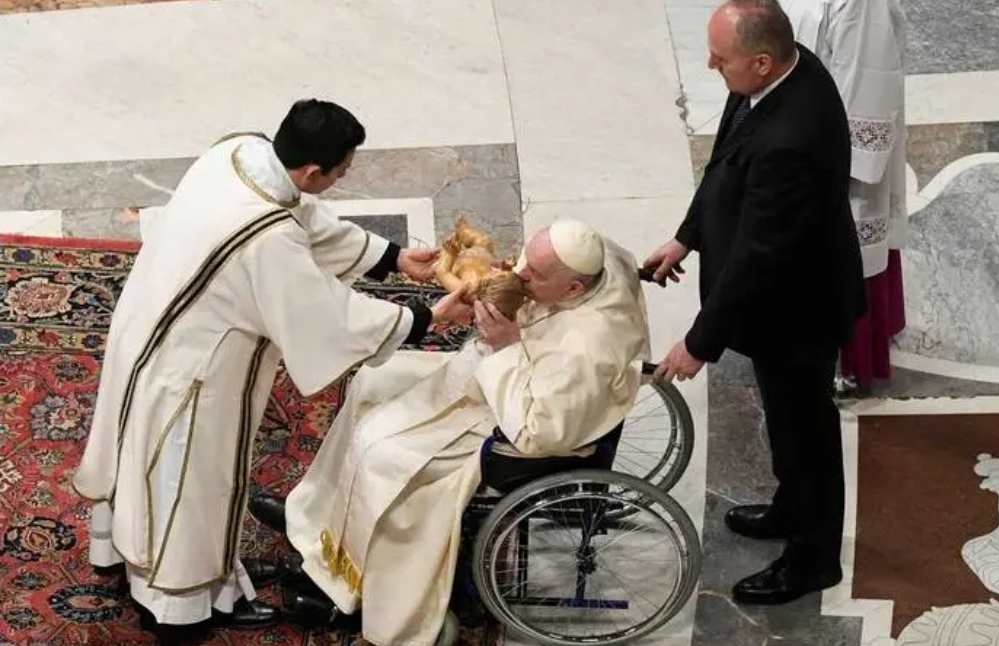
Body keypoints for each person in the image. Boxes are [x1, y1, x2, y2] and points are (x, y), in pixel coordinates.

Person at [71, 99, 473, 644]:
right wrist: (425, 317)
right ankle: (183, 606)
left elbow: (301, 216)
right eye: (341, 172)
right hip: (194, 376)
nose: (342, 179)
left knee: (144, 460)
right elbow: (326, 316)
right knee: (188, 483)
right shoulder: (266, 239)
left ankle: (169, 566)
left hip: (147, 322)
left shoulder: (240, 152)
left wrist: (392, 257)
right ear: (312, 171)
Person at [248, 220, 651, 646]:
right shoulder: (595, 263)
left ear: (573, 288)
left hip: (509, 429)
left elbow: (537, 434)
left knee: (381, 456)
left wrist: (506, 348)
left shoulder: (588, 348)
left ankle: (361, 595)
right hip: (491, 379)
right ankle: (313, 520)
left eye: (534, 274)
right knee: (371, 382)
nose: (520, 273)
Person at [645, 0, 866, 605]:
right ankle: (790, 509)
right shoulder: (773, 76)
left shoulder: (793, 137)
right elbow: (725, 164)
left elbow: (758, 257)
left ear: (762, 61)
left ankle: (812, 560)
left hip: (799, 310)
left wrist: (699, 343)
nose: (711, 65)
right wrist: (687, 236)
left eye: (721, 59)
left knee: (806, 432)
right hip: (779, 302)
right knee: (788, 424)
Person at [779, 0, 908, 395]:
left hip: (832, 143)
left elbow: (866, 75)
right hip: (794, 126)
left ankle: (844, 359)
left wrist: (830, 158)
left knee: (844, 238)